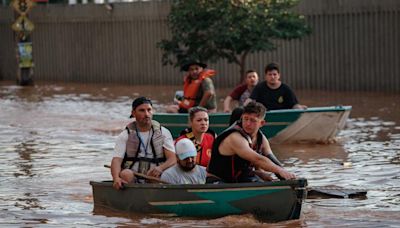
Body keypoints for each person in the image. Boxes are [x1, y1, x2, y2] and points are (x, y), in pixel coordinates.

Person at [207, 101, 296, 183]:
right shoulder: (235, 137)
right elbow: (257, 159)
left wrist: (286, 177)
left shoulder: (261, 138)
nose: (248, 124)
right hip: (217, 181)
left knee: (267, 178)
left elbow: (272, 159)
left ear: (262, 123)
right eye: (245, 119)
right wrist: (280, 171)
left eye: (253, 120)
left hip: (237, 180)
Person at [111, 97, 176, 190]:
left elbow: (172, 159)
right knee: (125, 174)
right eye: (142, 110)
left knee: (155, 174)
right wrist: (116, 178)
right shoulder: (125, 135)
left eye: (149, 110)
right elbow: (117, 160)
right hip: (132, 177)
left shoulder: (164, 133)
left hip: (155, 176)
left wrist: (161, 168)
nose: (146, 114)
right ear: (133, 113)